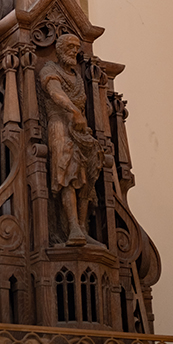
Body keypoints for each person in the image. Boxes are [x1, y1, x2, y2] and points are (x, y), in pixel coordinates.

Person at [39, 34, 103, 246]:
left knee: (89, 172)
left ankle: (82, 228)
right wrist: (73, 111)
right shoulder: (50, 70)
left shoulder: (77, 77)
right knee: (68, 171)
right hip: (60, 125)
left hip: (80, 129)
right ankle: (72, 225)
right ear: (60, 49)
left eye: (77, 47)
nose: (74, 51)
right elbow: (55, 92)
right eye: (70, 46)